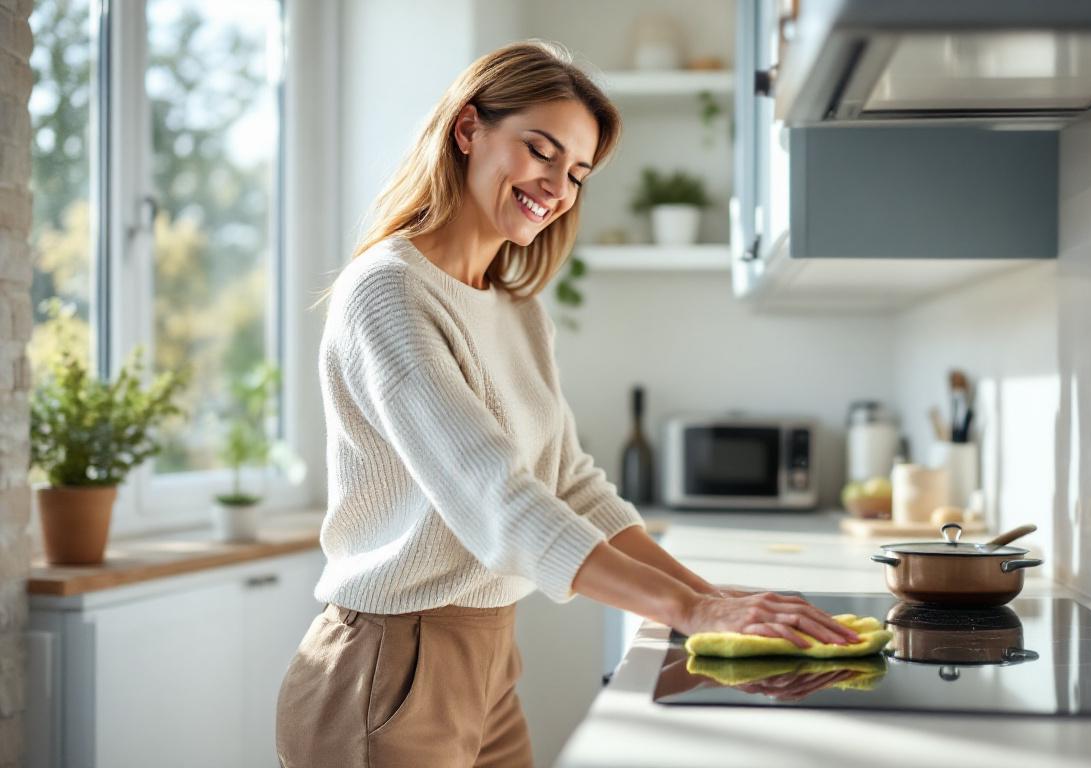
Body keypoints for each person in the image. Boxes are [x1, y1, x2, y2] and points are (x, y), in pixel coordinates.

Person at [275, 41, 860, 768]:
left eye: (577, 173)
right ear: (468, 129)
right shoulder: (388, 291)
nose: (557, 186)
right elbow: (496, 501)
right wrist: (691, 609)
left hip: (490, 659)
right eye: (541, 151)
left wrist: (707, 598)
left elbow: (571, 484)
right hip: (391, 668)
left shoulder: (516, 310)